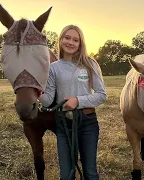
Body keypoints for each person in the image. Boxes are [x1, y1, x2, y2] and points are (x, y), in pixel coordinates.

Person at [39, 25, 107, 180]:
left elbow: (102, 95)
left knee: (90, 172)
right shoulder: (53, 68)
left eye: (75, 40)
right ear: (61, 40)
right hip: (63, 125)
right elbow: (48, 99)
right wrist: (35, 91)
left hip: (87, 123)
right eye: (67, 38)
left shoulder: (90, 64)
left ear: (80, 43)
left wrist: (78, 101)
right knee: (66, 174)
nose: (70, 42)